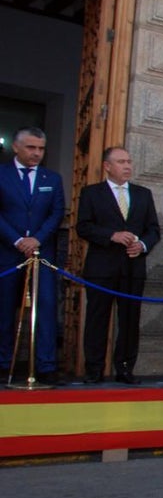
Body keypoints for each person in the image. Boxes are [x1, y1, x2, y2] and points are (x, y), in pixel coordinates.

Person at [76, 146, 161, 384]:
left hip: (133, 269)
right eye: (121, 162)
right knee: (97, 319)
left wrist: (142, 245)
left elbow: (153, 230)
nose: (127, 166)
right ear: (107, 166)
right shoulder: (91, 193)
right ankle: (94, 369)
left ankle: (125, 368)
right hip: (101, 269)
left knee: (130, 320)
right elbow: (83, 226)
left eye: (129, 161)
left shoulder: (143, 194)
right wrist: (111, 235)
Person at [0, 127, 65, 384]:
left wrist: (37, 239)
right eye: (31, 147)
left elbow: (57, 212)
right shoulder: (2, 175)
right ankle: (4, 363)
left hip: (42, 254)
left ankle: (46, 365)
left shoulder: (52, 178)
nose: (36, 153)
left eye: (40, 148)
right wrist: (17, 240)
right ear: (16, 147)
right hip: (7, 252)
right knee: (4, 309)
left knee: (46, 308)